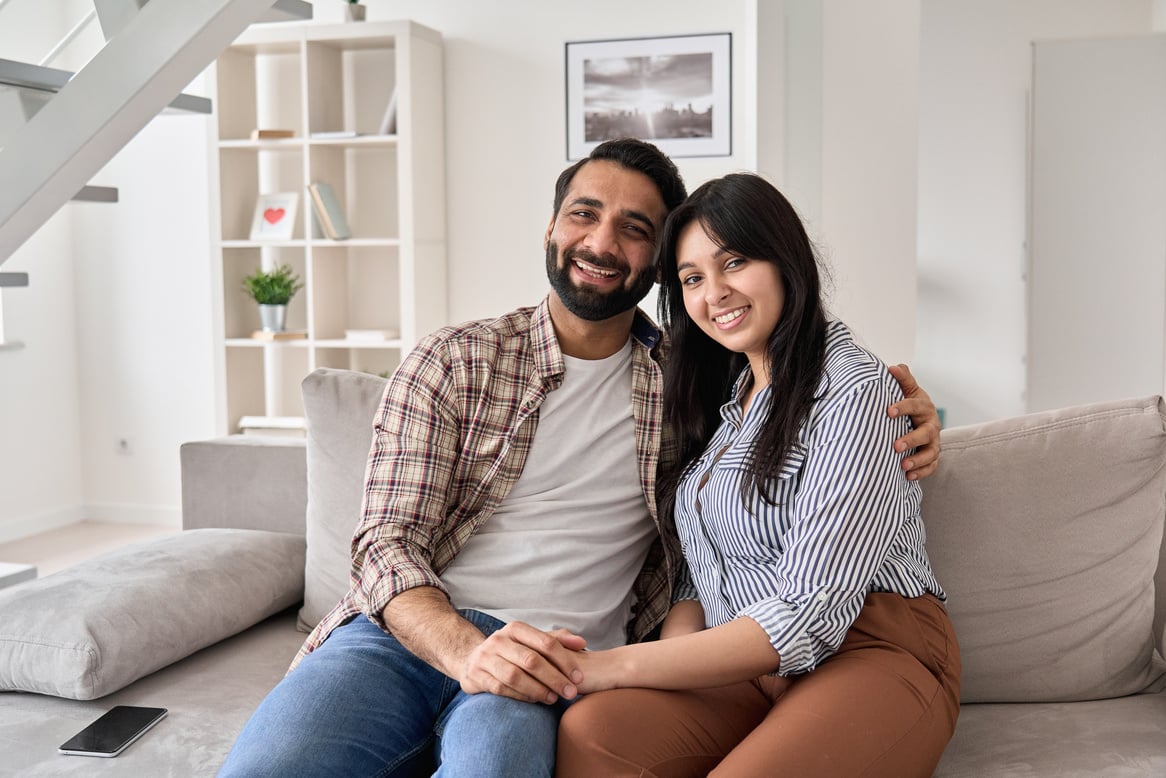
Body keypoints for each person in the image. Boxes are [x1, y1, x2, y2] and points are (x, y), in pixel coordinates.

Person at [219, 142, 943, 778]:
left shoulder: (688, 379)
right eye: (584, 214)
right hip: (410, 641)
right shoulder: (456, 359)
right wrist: (470, 653)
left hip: (563, 655)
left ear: (651, 264)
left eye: (635, 230)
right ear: (552, 227)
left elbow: (822, 389)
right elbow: (383, 544)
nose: (601, 242)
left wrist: (917, 413)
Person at [554, 172, 961, 777]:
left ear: (785, 259)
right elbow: (697, 580)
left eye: (734, 262)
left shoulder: (857, 391)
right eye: (692, 278)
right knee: (593, 733)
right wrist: (667, 677)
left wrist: (612, 667)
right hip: (746, 665)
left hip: (870, 648)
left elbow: (808, 608)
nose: (714, 292)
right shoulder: (726, 395)